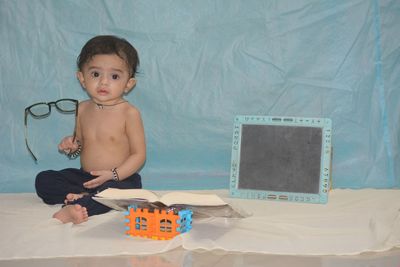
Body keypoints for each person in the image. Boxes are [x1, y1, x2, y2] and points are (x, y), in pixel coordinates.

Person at [35, 35, 146, 224]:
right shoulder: (82, 109)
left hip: (119, 178)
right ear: (82, 78)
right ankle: (81, 196)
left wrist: (113, 174)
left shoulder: (129, 113)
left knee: (114, 195)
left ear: (128, 84)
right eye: (95, 74)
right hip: (86, 177)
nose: (103, 82)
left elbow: (139, 155)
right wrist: (72, 145)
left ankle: (80, 205)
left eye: (114, 76)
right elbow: (81, 144)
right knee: (43, 179)